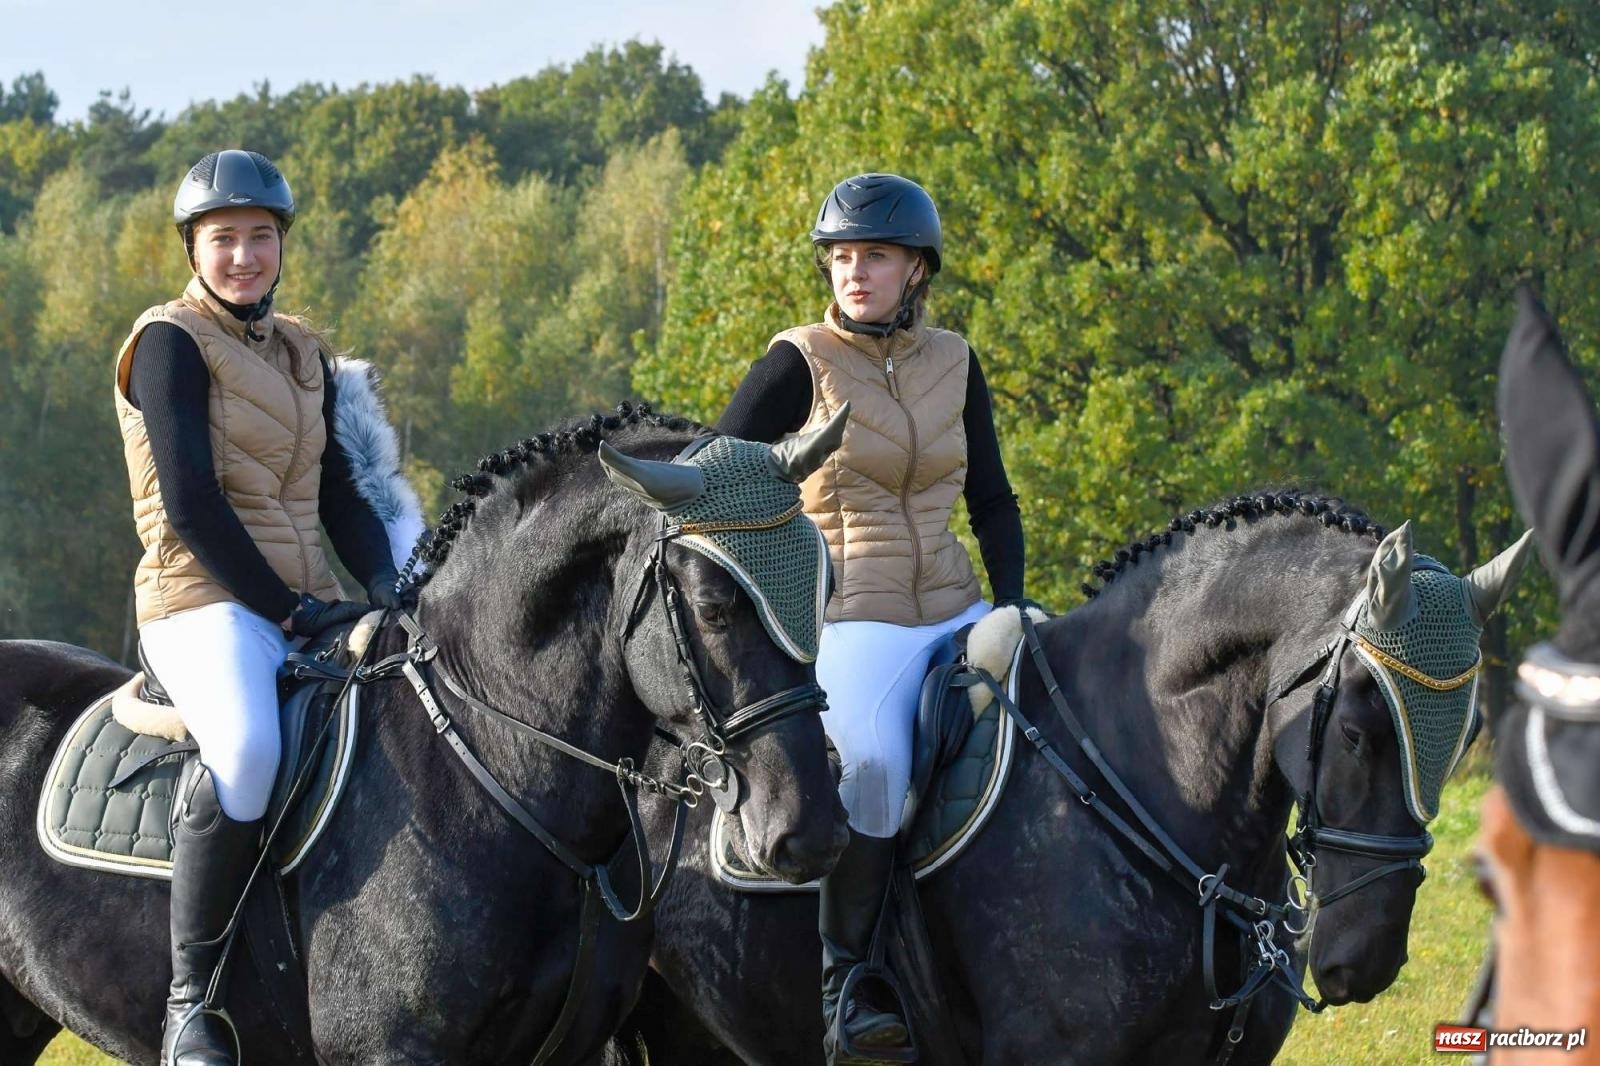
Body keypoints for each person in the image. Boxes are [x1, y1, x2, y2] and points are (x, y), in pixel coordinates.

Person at [717, 172, 1034, 1061]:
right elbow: (718, 475)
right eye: (842, 256)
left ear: (916, 270)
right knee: (872, 762)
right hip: (854, 619)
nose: (854, 272)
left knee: (1057, 716)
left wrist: (1014, 603)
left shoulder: (955, 361)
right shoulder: (798, 361)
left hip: (959, 606)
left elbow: (993, 500)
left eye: (876, 256)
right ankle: (848, 980)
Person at [112, 149, 402, 1066]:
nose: (244, 255)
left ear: (283, 245)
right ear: (192, 250)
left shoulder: (306, 350)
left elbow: (340, 494)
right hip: (200, 600)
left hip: (305, 599)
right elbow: (192, 504)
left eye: (260, 236)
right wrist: (289, 610)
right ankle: (191, 1003)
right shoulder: (167, 342)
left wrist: (388, 586)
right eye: (224, 238)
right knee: (245, 753)